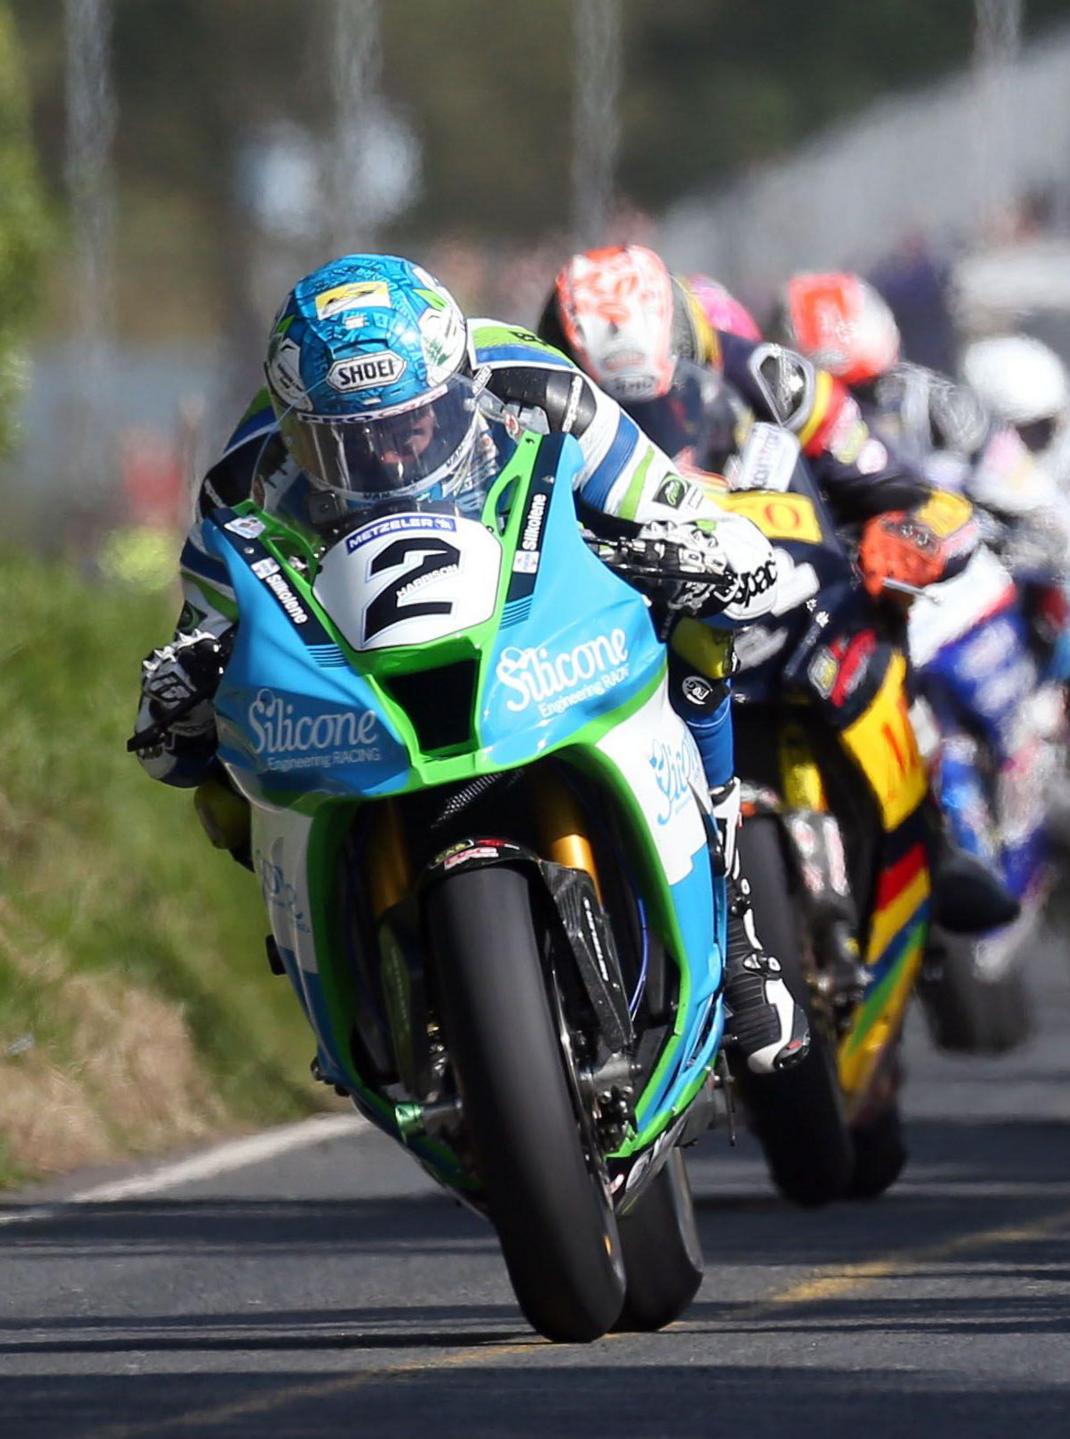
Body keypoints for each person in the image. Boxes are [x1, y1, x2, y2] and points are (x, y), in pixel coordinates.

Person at [131, 253, 810, 1072]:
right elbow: (178, 695)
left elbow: (676, 507)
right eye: (343, 445)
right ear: (294, 426)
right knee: (222, 777)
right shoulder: (242, 484)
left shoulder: (540, 387)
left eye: (413, 424)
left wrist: (705, 553)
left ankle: (736, 934)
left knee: (703, 627)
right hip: (362, 677)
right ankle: (329, 952)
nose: (385, 459)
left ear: (459, 385)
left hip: (530, 617)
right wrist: (178, 695)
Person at [539, 244, 1019, 934]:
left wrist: (909, 533)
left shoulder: (772, 376)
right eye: (619, 407)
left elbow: (900, 483)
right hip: (643, 630)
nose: (651, 422)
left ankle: (930, 833)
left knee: (888, 613)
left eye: (663, 397)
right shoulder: (527, 410)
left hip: (794, 593)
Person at [773, 271, 990, 472]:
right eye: (852, 392)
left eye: (871, 387)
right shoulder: (785, 434)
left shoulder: (940, 406)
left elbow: (1011, 486)